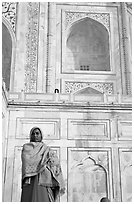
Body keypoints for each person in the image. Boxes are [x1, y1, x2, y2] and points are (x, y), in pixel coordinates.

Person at [21, 127, 65, 202]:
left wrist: (49, 162)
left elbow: (55, 162)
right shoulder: (26, 148)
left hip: (44, 179)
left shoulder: (46, 149)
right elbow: (26, 161)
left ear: (41, 135)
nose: (35, 135)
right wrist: (42, 163)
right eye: (33, 134)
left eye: (37, 133)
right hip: (30, 179)